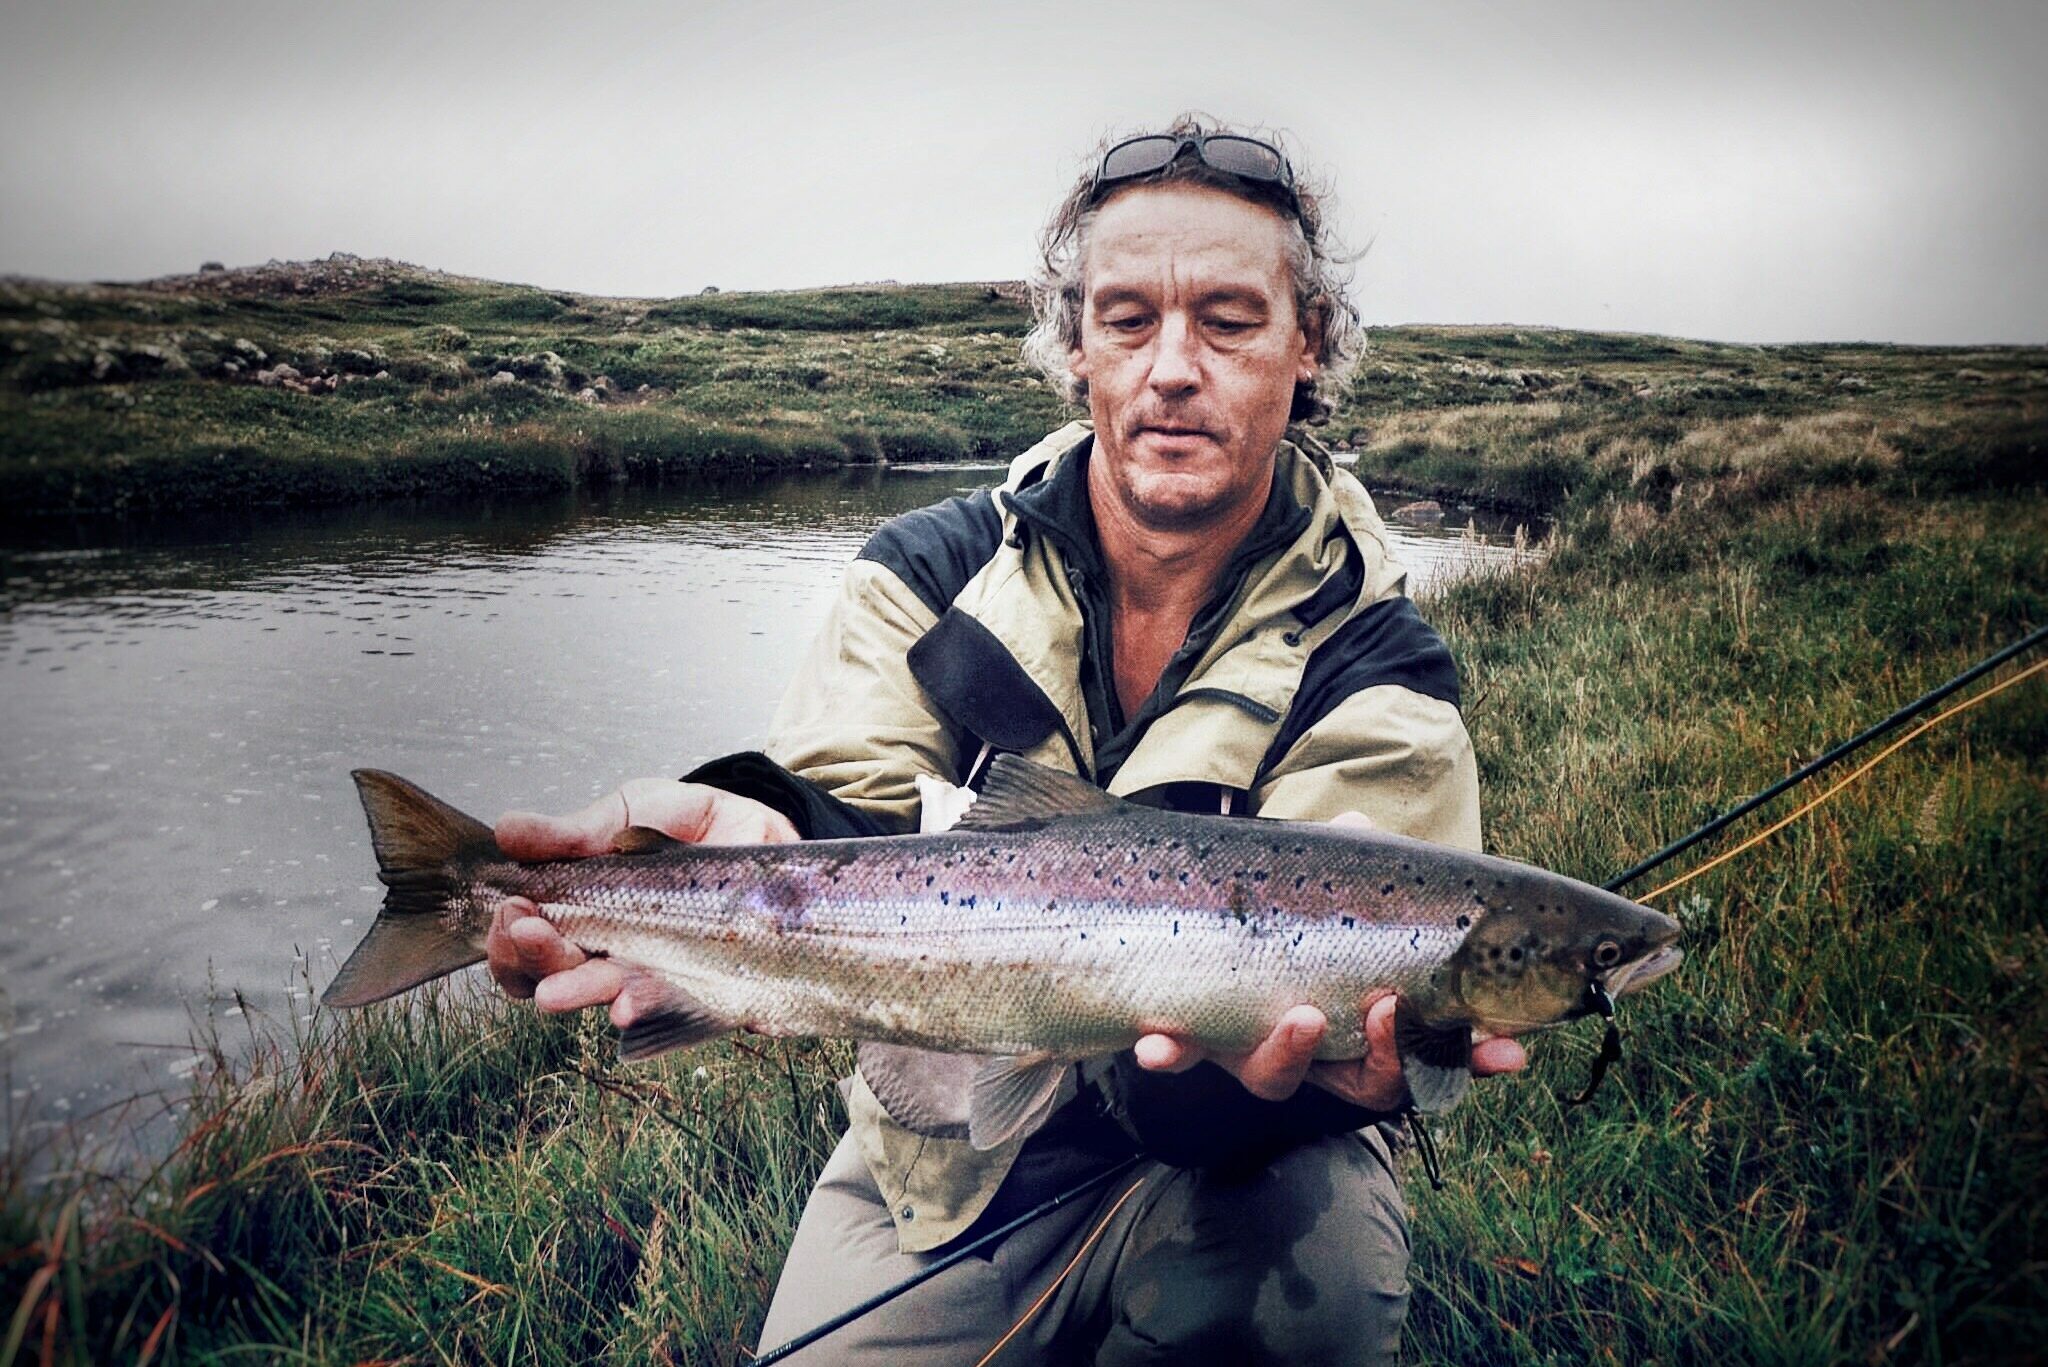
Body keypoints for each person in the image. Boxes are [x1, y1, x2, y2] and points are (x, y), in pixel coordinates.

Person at [486, 117, 1526, 1364]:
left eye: (1230, 320)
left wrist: (1309, 1065)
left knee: (1325, 1270)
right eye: (1129, 317)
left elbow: (1324, 1050)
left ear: (1306, 347)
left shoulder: (1378, 665)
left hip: (1237, 1158)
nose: (1173, 367)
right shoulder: (925, 571)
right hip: (935, 1154)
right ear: (1075, 342)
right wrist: (751, 835)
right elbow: (837, 823)